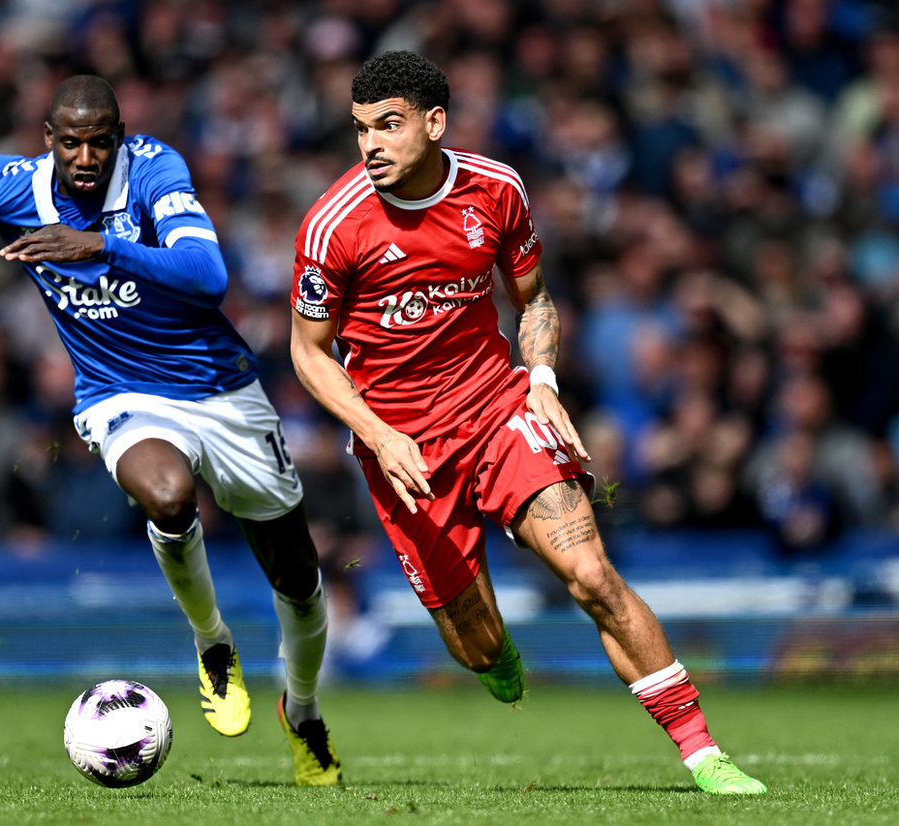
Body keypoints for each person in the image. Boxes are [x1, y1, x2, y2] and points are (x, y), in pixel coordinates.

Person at [288, 51, 765, 795]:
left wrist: (540, 377)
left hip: (496, 410)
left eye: (388, 125)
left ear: (435, 122)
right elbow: (308, 354)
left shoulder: (496, 190)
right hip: (403, 447)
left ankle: (704, 752)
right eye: (360, 130)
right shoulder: (332, 227)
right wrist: (378, 435)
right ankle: (497, 657)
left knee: (589, 573)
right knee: (477, 647)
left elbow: (534, 298)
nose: (371, 144)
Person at [0, 75, 340, 786]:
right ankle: (212, 646)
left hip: (221, 390)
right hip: (119, 393)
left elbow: (208, 272)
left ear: (119, 138)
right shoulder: (13, 186)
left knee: (299, 578)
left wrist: (99, 245)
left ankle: (305, 710)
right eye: (70, 141)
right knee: (167, 497)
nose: (85, 156)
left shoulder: (154, 171)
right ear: (48, 140)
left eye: (99, 141)